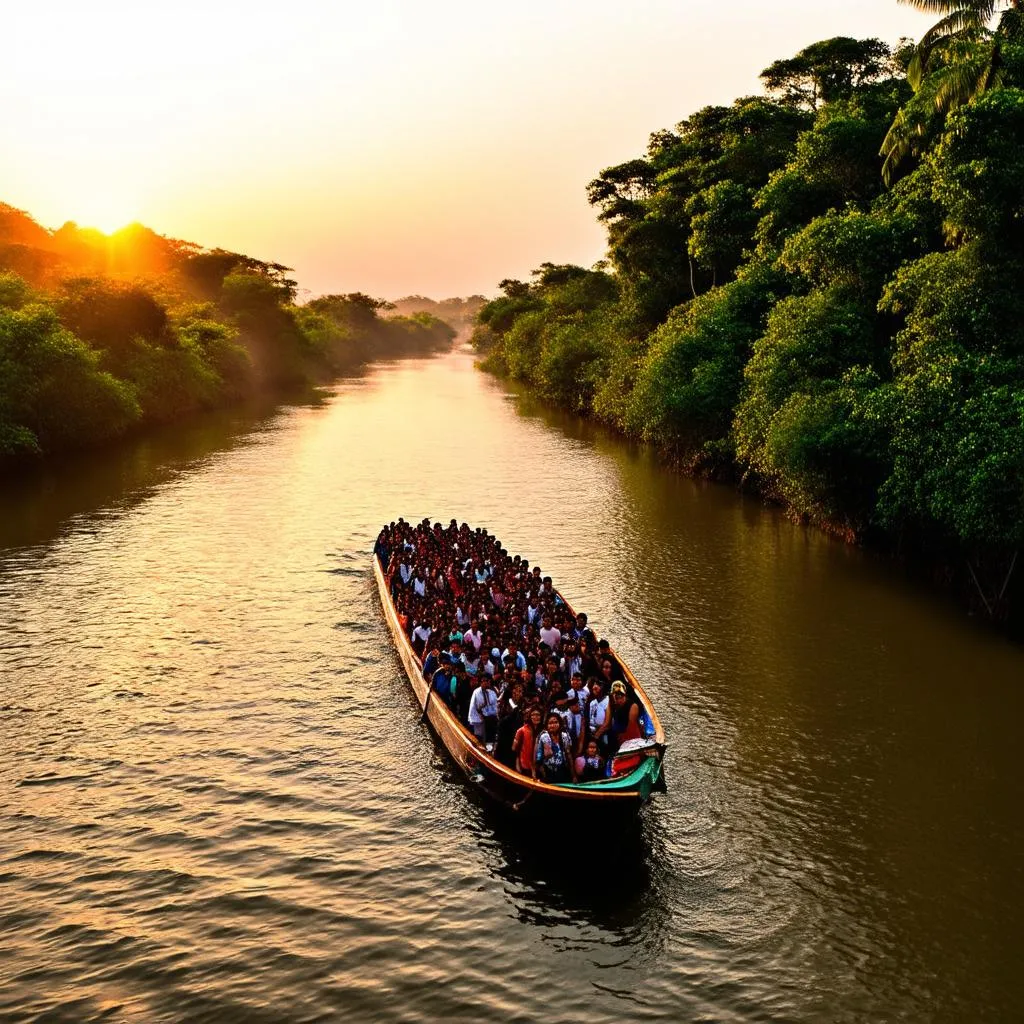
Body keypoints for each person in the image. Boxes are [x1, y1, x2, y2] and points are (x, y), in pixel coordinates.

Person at [535, 713, 575, 783]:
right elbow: (539, 759)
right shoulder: (544, 736)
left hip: (562, 770)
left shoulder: (564, 736)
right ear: (547, 725)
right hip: (547, 771)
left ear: (560, 724)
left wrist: (573, 775)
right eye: (550, 723)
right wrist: (544, 776)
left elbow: (569, 756)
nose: (553, 725)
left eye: (556, 722)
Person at [467, 674, 499, 747]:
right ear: (480, 682)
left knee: (490, 736)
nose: (485, 683)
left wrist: (492, 715)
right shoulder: (477, 692)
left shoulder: (492, 692)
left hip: (490, 719)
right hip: (479, 718)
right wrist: (483, 716)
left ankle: (489, 749)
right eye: (483, 681)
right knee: (479, 737)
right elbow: (476, 708)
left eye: (486, 681)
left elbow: (495, 707)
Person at [513, 707, 543, 776]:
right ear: (529, 717)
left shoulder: (544, 730)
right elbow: (515, 749)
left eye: (538, 715)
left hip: (540, 766)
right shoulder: (521, 730)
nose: (536, 717)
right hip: (525, 765)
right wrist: (517, 765)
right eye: (533, 715)